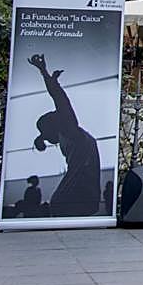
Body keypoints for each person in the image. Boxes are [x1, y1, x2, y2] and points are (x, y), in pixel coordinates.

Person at [28, 53, 100, 217]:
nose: (48, 139)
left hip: (82, 178)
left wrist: (46, 74)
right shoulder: (66, 134)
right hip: (81, 178)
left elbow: (60, 99)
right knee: (59, 204)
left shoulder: (70, 129)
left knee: (58, 203)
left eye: (46, 135)